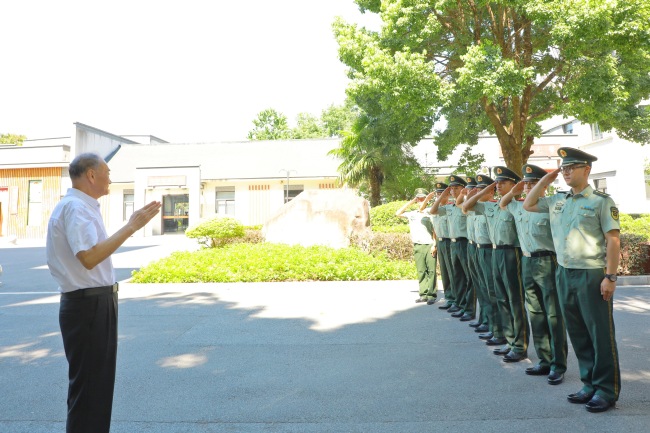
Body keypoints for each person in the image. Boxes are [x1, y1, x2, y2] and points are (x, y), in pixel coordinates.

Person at [46, 153, 162, 433]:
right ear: (91, 175)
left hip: (92, 303)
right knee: (90, 390)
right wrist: (131, 227)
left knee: (93, 390)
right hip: (88, 306)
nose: (111, 177)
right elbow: (88, 257)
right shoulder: (76, 208)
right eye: (107, 171)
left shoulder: (81, 207)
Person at [524, 147, 621, 413]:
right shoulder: (557, 200)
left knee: (600, 334)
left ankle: (606, 390)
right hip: (563, 272)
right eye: (563, 168)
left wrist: (610, 277)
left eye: (571, 167)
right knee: (578, 332)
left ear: (586, 169)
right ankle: (589, 383)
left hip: (591, 274)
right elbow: (528, 204)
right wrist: (546, 178)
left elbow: (613, 240)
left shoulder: (601, 201)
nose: (566, 172)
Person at [500, 164, 568, 385]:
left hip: (548, 261)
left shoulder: (552, 205)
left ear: (543, 185)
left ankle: (558, 364)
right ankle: (545, 360)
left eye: (533, 183)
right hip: (527, 260)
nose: (528, 186)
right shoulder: (519, 206)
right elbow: (503, 203)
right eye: (527, 183)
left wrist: (540, 185)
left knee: (553, 315)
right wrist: (515, 190)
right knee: (536, 314)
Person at [463, 167, 529, 363]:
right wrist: (485, 190)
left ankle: (519, 345)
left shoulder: (518, 206)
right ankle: (508, 339)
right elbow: (466, 206)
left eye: (503, 183)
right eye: (497, 183)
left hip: (512, 253)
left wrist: (511, 194)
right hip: (495, 252)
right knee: (500, 297)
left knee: (514, 300)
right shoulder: (489, 206)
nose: (498, 185)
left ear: (514, 185)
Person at [428, 176, 475, 321]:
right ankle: (460, 304)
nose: (453, 191)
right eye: (452, 188)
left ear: (463, 189)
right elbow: (433, 210)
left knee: (468, 278)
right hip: (453, 243)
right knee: (457, 276)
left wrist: (463, 195)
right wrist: (442, 194)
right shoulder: (449, 208)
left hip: (464, 242)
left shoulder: (465, 206)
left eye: (456, 188)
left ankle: (469, 308)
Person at [396, 188, 438, 304]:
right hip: (418, 244)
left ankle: (431, 295)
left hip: (429, 243)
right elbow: (397, 213)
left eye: (422, 198)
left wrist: (435, 244)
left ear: (426, 200)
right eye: (418, 198)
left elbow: (435, 229)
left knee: (431, 271)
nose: (420, 200)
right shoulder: (412, 214)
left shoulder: (430, 211)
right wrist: (411, 202)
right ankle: (423, 294)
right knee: (421, 270)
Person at [421, 183, 456, 309]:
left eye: (442, 193)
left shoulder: (450, 208)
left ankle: (456, 300)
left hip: (449, 241)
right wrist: (435, 243)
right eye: (437, 193)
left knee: (453, 272)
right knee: (445, 272)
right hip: (440, 241)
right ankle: (449, 298)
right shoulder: (436, 208)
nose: (439, 196)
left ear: (448, 194)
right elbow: (435, 227)